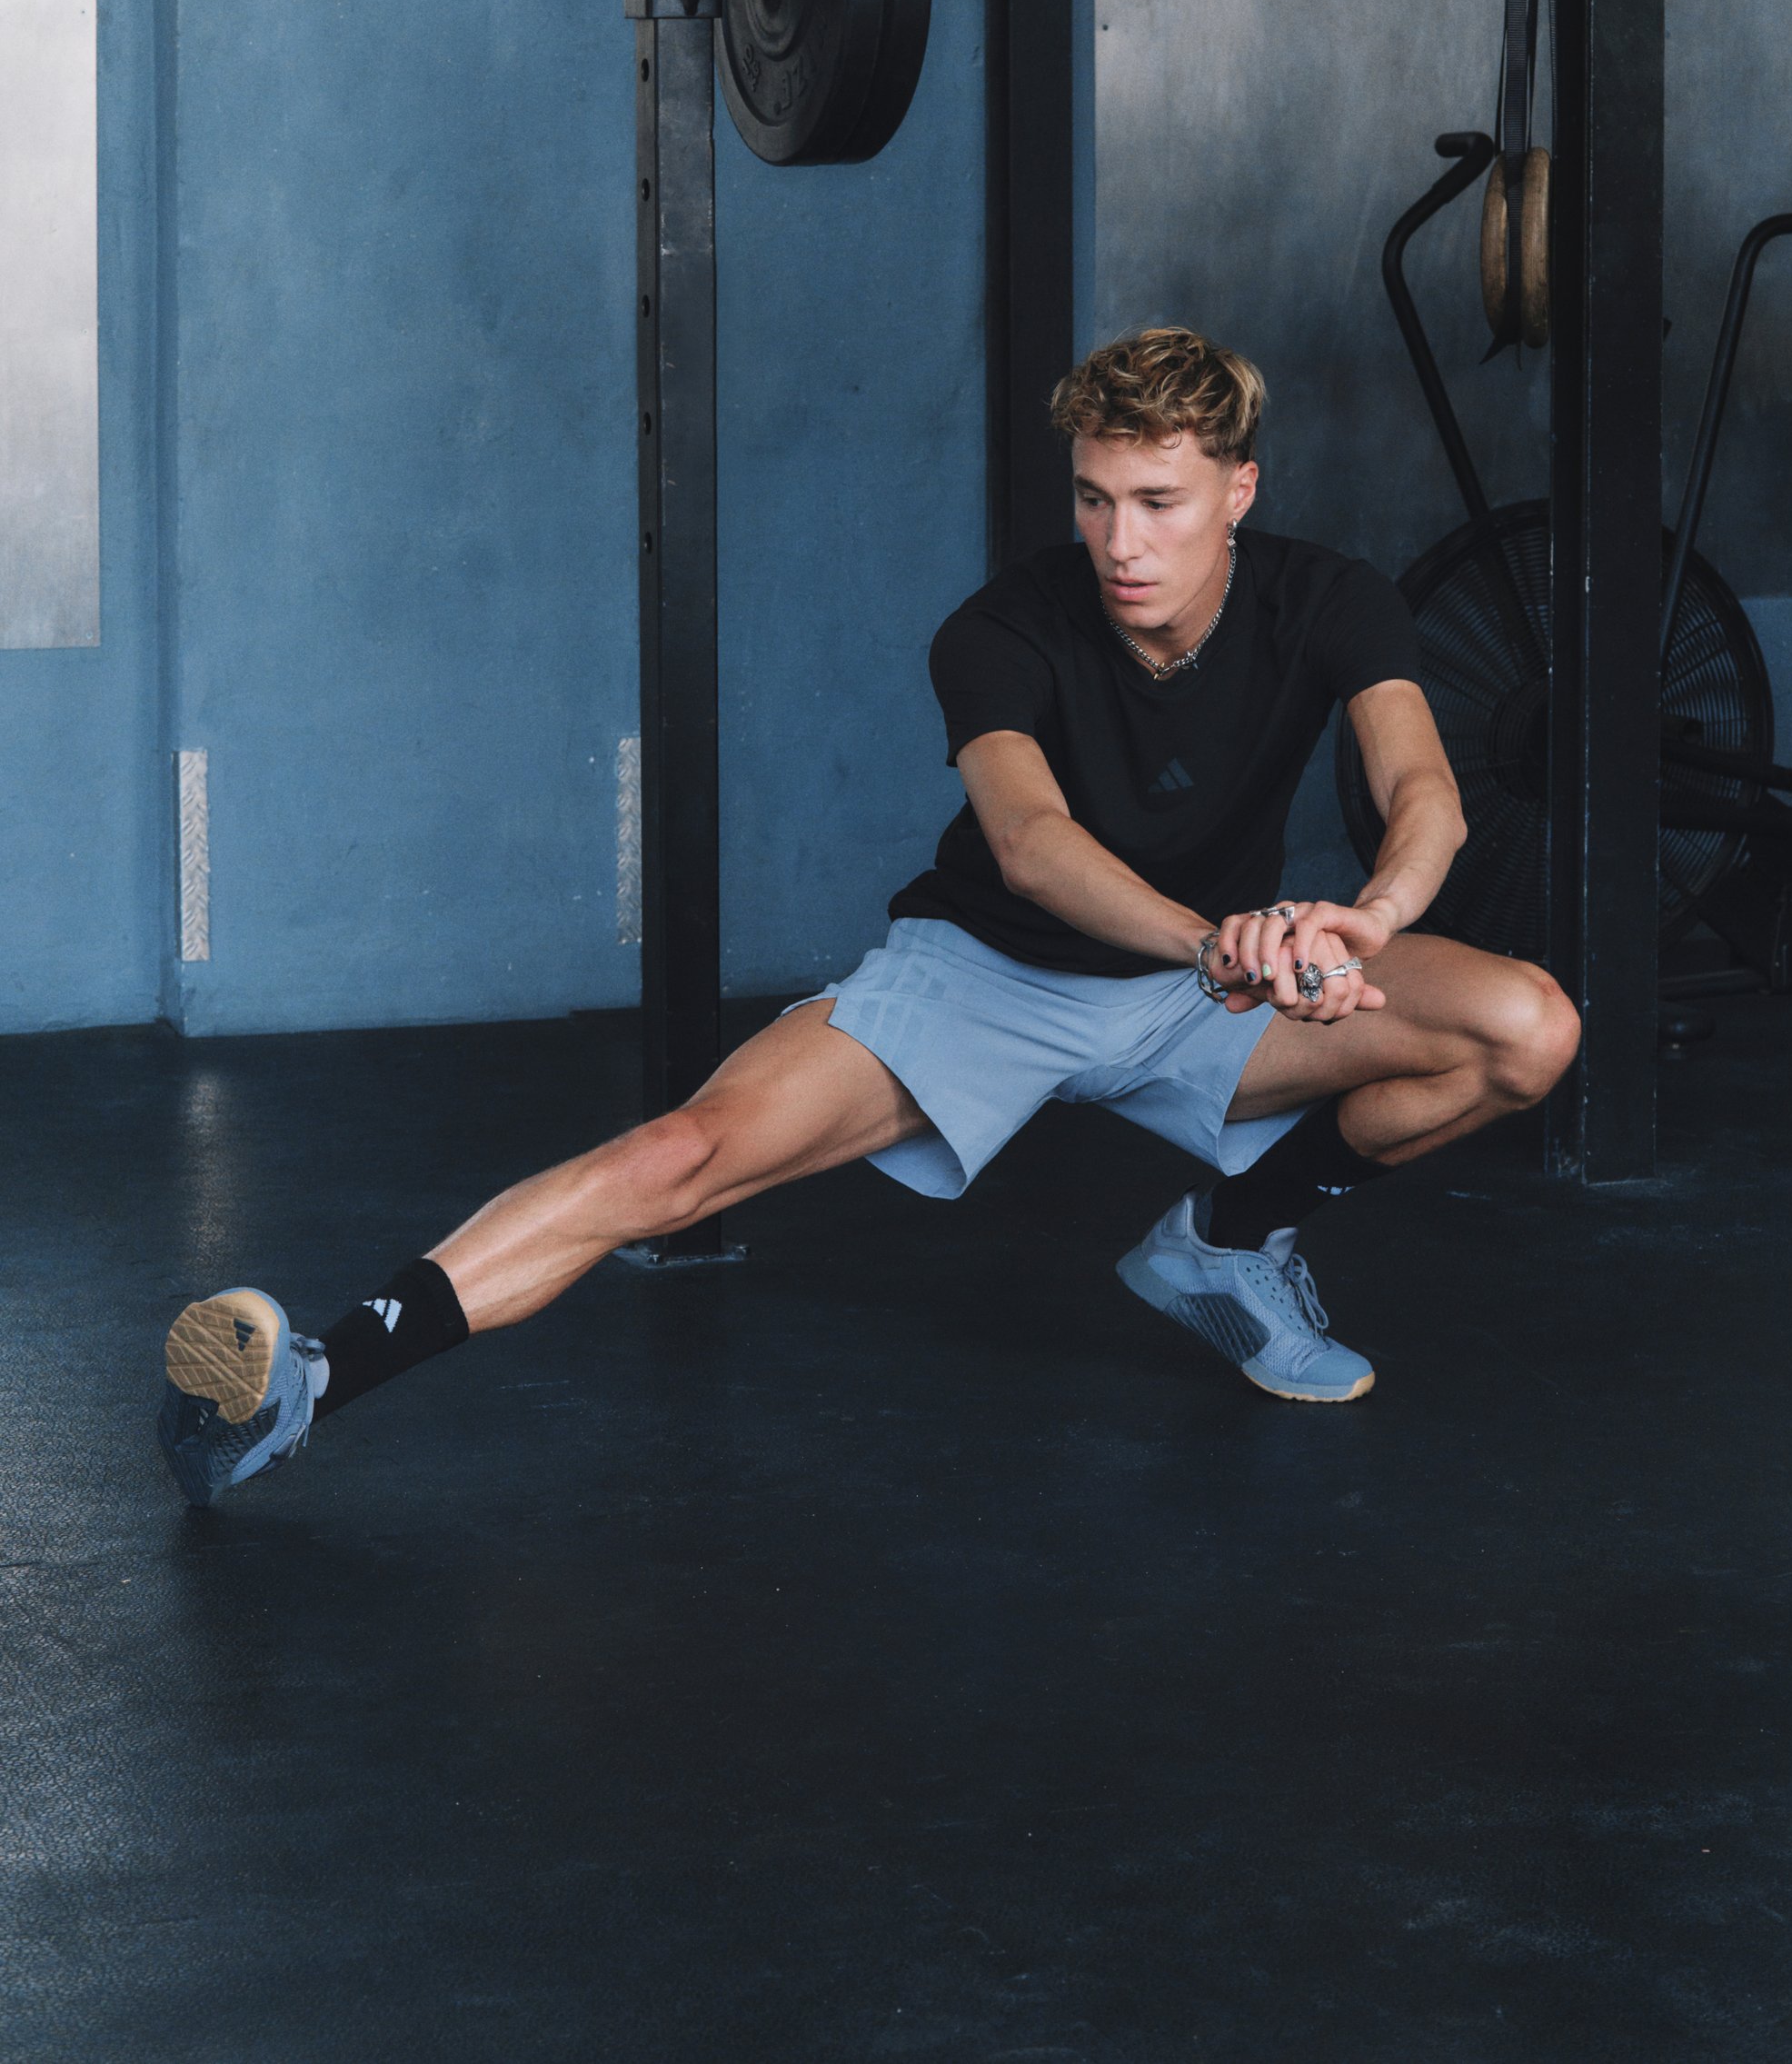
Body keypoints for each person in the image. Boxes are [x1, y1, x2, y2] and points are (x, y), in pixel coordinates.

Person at [157, 325, 1580, 1505]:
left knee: (1526, 1028)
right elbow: (1031, 846)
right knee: (679, 1155)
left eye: (1159, 502)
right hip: (991, 980)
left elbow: (1427, 794)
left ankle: (1227, 1239)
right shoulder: (1003, 627)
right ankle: (316, 1376)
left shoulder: (1329, 598)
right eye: (1093, 497)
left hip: (1200, 999)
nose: (1118, 540)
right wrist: (1217, 942)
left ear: (1240, 490)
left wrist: (1361, 924)